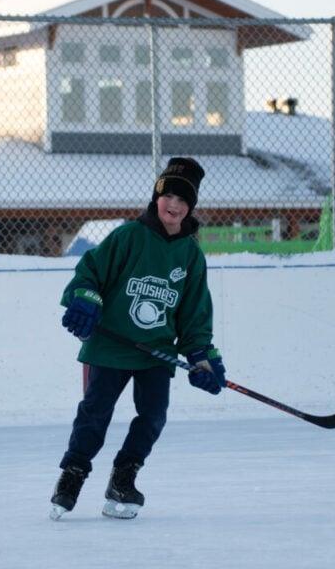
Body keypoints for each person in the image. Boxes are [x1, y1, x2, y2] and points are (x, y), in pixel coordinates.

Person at [51, 157, 226, 520]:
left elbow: (194, 315)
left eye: (183, 199)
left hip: (156, 354)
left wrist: (202, 357)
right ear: (156, 197)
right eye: (168, 196)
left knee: (153, 416)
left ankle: (123, 477)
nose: (174, 205)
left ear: (191, 206)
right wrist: (86, 301)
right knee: (95, 413)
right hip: (110, 348)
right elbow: (89, 276)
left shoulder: (191, 256)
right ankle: (72, 475)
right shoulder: (129, 236)